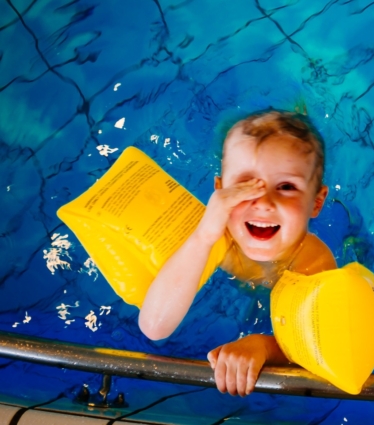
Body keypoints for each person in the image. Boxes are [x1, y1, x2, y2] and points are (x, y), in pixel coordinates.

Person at [139, 110, 337, 397]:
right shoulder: (215, 236)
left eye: (286, 187)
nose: (264, 202)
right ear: (219, 191)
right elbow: (154, 327)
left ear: (316, 202)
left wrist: (264, 347)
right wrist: (204, 236)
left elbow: (318, 343)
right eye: (246, 184)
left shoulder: (314, 262)